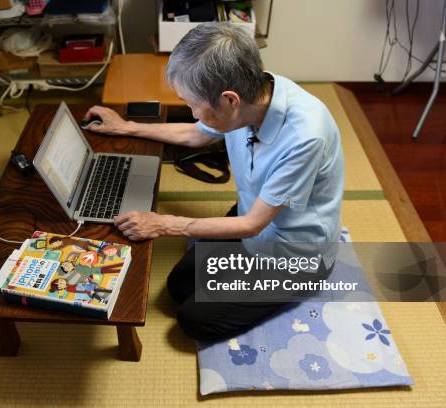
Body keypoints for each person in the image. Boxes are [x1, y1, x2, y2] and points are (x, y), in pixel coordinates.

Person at [82, 23, 344, 341]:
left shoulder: (305, 136)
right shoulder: (253, 91)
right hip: (257, 215)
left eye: (193, 104)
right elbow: (195, 134)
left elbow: (251, 225)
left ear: (230, 100)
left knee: (194, 320)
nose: (191, 112)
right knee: (180, 286)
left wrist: (163, 224)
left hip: (293, 251)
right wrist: (126, 127)